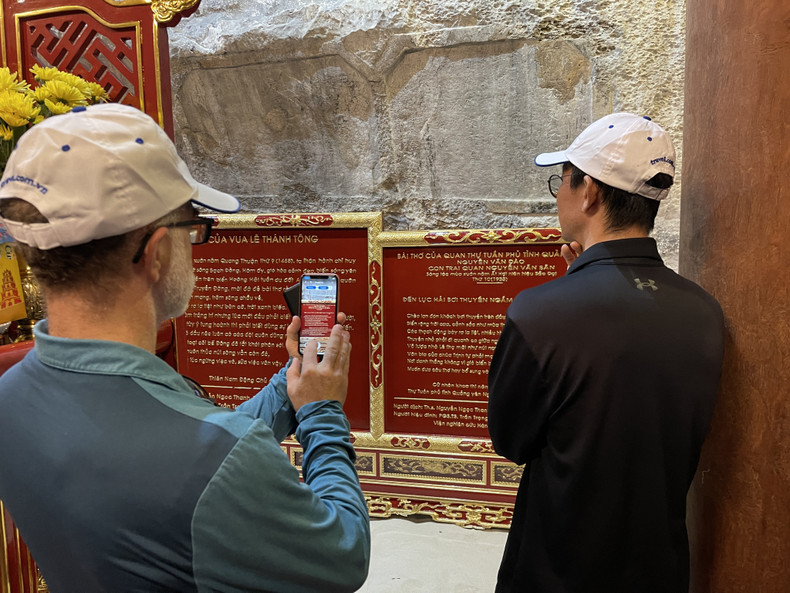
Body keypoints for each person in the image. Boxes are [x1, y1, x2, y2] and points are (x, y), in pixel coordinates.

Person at [0, 103, 370, 592]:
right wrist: (321, 410)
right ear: (155, 254)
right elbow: (342, 552)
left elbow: (192, 460)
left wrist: (295, 379)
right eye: (195, 229)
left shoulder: (10, 395)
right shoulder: (218, 459)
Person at [487, 113, 725, 592]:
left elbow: (511, 441)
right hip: (660, 568)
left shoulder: (540, 313)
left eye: (563, 180)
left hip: (557, 568)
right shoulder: (704, 310)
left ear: (589, 191)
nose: (559, 193)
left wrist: (570, 293)